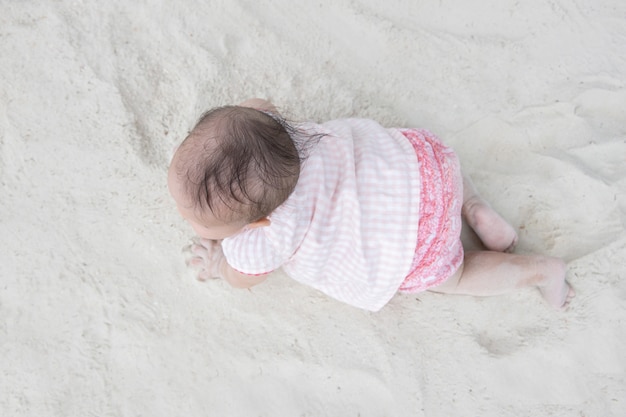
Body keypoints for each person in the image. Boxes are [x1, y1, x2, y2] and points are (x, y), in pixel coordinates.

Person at [167, 98, 574, 312]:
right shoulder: (268, 126)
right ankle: (475, 205)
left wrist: (218, 263)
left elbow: (242, 277)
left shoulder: (260, 241)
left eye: (197, 221)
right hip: (421, 166)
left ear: (256, 222)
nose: (185, 217)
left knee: (457, 275)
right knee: (440, 171)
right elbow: (256, 106)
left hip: (413, 242)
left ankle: (541, 271)